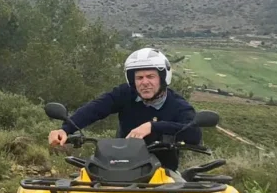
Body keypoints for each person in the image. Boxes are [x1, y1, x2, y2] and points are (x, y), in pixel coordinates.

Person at [48, 48, 201, 171]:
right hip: (119, 167)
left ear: (162, 78)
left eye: (150, 76)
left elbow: (194, 133)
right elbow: (95, 109)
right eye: (139, 78)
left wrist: (153, 126)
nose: (145, 82)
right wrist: (66, 129)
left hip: (163, 172)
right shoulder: (125, 94)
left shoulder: (178, 105)